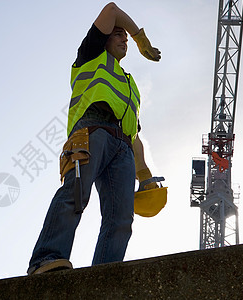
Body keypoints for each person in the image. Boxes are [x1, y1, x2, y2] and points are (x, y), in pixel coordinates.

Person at [27, 2, 161, 275]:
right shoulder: (90, 56)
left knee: (121, 218)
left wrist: (145, 176)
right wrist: (139, 37)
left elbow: (134, 134)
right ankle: (46, 260)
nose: (124, 38)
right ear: (104, 38)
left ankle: (105, 274)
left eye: (126, 36)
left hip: (123, 147)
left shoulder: (130, 84)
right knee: (75, 195)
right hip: (92, 131)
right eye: (118, 34)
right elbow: (111, 9)